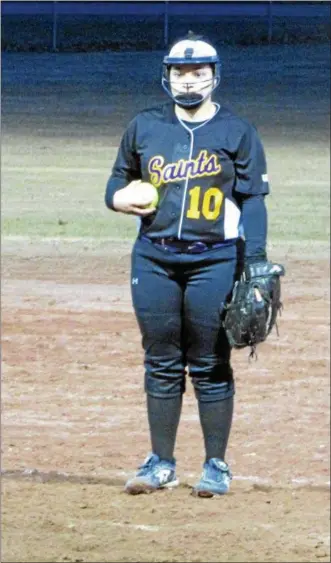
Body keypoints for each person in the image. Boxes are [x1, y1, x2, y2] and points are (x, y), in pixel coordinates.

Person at [105, 32, 270, 497]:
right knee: (160, 361)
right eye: (181, 72)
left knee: (210, 361)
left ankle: (216, 465)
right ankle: (161, 463)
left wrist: (254, 261)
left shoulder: (237, 131)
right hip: (154, 257)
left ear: (214, 77)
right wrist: (119, 198)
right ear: (168, 76)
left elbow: (253, 202)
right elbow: (115, 184)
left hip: (214, 259)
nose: (190, 80)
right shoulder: (144, 127)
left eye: (199, 72)